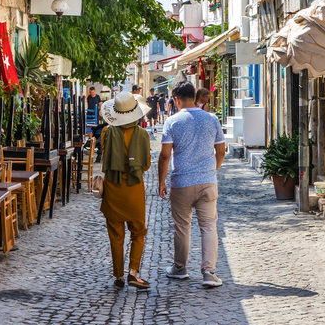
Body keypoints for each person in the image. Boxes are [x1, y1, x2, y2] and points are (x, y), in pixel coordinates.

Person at [159, 80, 226, 287]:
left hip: (182, 182)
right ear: (195, 96)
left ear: (176, 100)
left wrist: (161, 181)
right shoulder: (212, 119)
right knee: (208, 226)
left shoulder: (172, 122)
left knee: (182, 227)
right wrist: (211, 172)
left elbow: (164, 155)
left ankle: (180, 268)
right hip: (207, 182)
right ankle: (209, 273)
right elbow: (221, 151)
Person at [100, 92, 152, 289]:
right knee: (138, 233)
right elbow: (145, 165)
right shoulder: (143, 135)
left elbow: (105, 158)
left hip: (113, 191)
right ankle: (133, 272)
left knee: (116, 235)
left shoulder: (106, 132)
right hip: (134, 191)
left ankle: (118, 277)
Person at [86, 86, 103, 160]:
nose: (92, 93)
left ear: (94, 91)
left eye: (93, 92)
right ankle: (90, 138)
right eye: (91, 92)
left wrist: (101, 111)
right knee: (89, 125)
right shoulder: (89, 97)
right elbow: (84, 100)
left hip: (96, 113)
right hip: (89, 113)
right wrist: (87, 95)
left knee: (95, 126)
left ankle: (94, 139)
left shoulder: (97, 97)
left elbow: (100, 104)